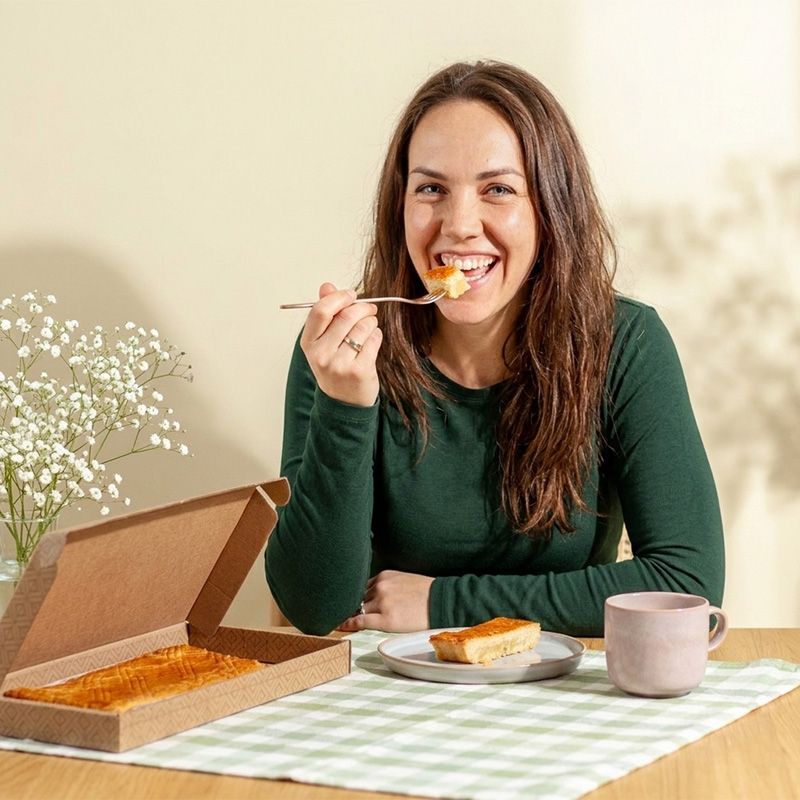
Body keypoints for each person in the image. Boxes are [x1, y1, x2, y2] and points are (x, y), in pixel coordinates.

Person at [265, 60, 724, 637]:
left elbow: (687, 584)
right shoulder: (345, 350)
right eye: (431, 188)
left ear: (550, 210)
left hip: (566, 697)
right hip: (385, 702)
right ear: (398, 206)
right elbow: (314, 606)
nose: (458, 225)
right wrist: (345, 406)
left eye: (498, 190)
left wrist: (446, 606)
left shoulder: (623, 343)